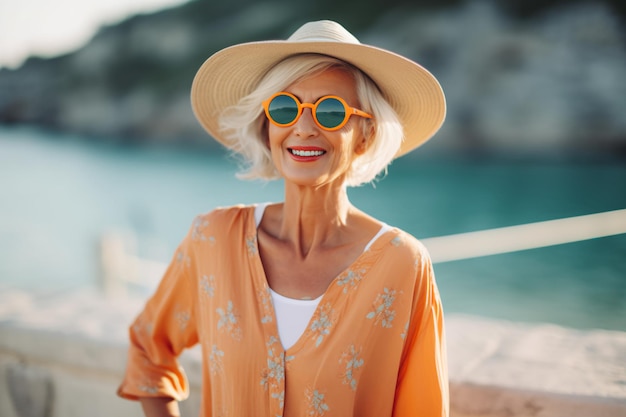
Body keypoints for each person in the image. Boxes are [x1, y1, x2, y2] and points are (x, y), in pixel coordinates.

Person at [118, 20, 448, 417]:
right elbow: (149, 345)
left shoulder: (402, 264)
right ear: (267, 124)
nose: (303, 127)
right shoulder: (214, 239)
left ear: (364, 134)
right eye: (285, 107)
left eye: (330, 111)